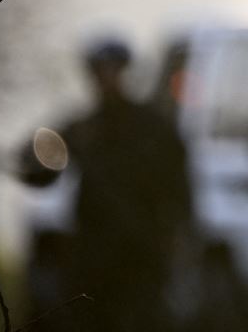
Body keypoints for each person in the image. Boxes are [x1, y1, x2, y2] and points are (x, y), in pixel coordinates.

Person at [58, 35, 193, 332]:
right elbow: (44, 157)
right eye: (99, 71)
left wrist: (177, 234)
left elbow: (180, 187)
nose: (106, 79)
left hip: (143, 249)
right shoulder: (81, 128)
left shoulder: (154, 128)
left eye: (112, 70)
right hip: (93, 252)